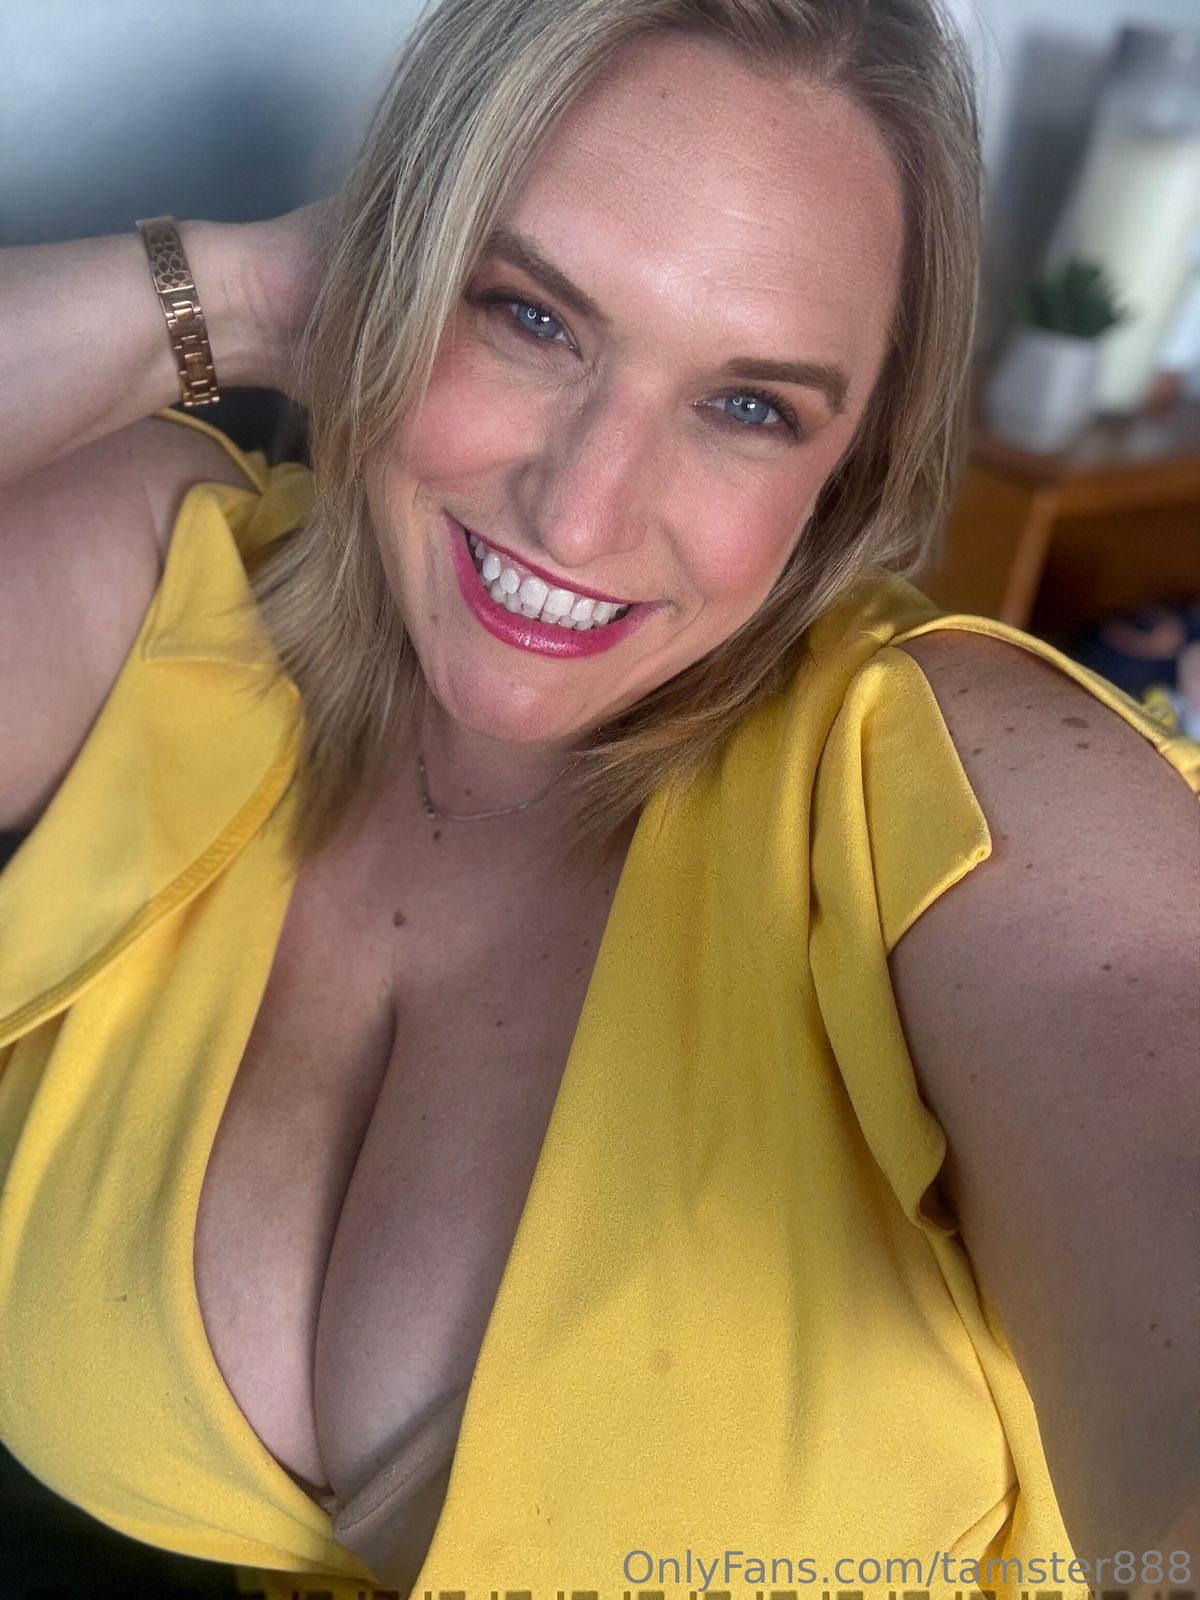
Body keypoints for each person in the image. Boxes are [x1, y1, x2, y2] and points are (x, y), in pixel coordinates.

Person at [0, 2, 1197, 1598]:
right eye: (528, 316)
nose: (581, 511)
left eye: (750, 407)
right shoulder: (183, 597)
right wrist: (252, 291)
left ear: (847, 467)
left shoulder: (951, 782)